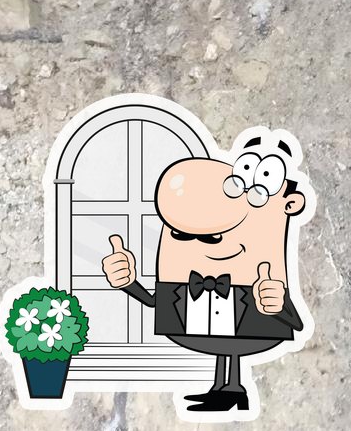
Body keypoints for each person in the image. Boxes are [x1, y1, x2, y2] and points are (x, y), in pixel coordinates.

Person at [101, 131, 308, 413]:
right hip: (201, 323)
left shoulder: (263, 275)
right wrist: (127, 282)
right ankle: (225, 389)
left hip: (251, 319)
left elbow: (294, 322)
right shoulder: (182, 282)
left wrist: (276, 304)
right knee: (225, 346)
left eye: (212, 236)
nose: (205, 242)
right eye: (181, 235)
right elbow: (154, 301)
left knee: (233, 344)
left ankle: (232, 388)